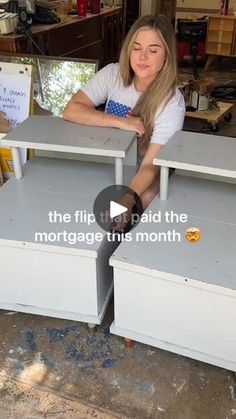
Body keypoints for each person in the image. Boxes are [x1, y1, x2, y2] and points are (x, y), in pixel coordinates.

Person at [63, 14, 185, 229]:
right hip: (110, 158)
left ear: (167, 56)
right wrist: (120, 122)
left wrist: (128, 199)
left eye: (153, 50)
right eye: (136, 48)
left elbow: (150, 164)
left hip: (143, 169)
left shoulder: (171, 102)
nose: (142, 56)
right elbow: (72, 110)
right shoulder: (112, 74)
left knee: (139, 206)